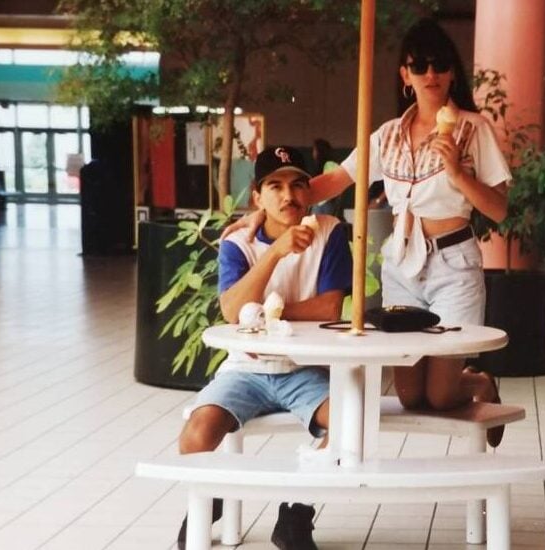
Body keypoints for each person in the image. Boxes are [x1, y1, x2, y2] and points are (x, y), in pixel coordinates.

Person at [223, 18, 510, 446]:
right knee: (410, 396)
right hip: (401, 266)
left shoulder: (473, 129)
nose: (430, 74)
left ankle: (477, 382)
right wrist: (264, 212)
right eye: (420, 65)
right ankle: (465, 381)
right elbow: (332, 182)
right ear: (405, 75)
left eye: (440, 64)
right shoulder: (387, 136)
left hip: (452, 262)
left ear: (452, 72)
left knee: (440, 395)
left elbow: (499, 209)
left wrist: (456, 172)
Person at [176, 146, 352, 550]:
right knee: (196, 435)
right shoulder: (238, 242)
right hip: (245, 369)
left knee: (349, 425)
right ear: (258, 196)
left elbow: (328, 308)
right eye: (275, 186)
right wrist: (275, 251)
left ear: (310, 192)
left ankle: (295, 512)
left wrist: (264, 312)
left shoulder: (329, 232)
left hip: (305, 368)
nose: (288, 195)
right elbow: (232, 310)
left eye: (298, 184)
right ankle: (208, 500)